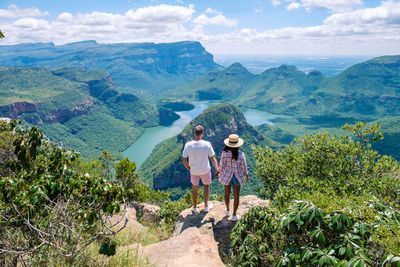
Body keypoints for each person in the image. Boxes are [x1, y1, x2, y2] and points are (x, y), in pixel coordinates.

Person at [182, 125, 219, 213]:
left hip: (194, 171)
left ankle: (194, 207)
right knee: (206, 187)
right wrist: (217, 170)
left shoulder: (188, 145)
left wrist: (188, 167)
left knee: (195, 189)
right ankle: (206, 206)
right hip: (205, 170)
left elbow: (183, 159)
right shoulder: (207, 144)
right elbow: (213, 158)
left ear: (195, 133)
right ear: (202, 134)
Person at [216, 134, 248, 221]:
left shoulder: (224, 153)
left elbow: (221, 166)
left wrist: (218, 172)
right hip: (237, 177)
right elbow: (244, 166)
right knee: (236, 195)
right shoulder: (241, 154)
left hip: (227, 176)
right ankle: (234, 215)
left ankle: (227, 211)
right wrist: (246, 174)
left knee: (227, 193)